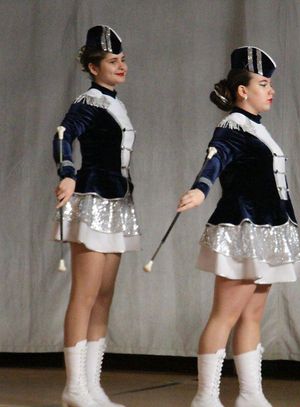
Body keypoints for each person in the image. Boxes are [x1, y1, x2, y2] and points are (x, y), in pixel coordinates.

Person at [177, 46, 300, 407]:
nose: (271, 90)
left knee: (252, 316)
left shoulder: (256, 128)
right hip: (242, 229)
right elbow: (215, 159)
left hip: (267, 229)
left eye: (270, 84)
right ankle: (205, 397)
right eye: (263, 84)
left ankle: (251, 395)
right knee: (225, 316)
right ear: (242, 91)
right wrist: (201, 189)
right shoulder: (232, 126)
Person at [53, 25, 138, 407]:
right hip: (91, 200)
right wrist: (67, 172)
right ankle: (74, 387)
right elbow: (62, 135)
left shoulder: (114, 103)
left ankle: (92, 385)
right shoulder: (88, 102)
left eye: (123, 59)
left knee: (103, 296)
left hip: (117, 202)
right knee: (85, 295)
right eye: (112, 61)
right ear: (92, 67)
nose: (121, 66)